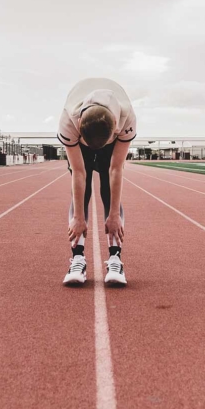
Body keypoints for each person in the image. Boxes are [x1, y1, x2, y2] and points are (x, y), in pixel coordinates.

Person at [57, 78, 137, 286]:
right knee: (80, 197)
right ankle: (77, 258)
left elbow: (115, 169)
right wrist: (78, 217)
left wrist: (113, 215)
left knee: (108, 192)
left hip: (109, 143)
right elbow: (79, 172)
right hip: (81, 139)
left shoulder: (127, 119)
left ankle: (115, 258)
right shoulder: (68, 121)